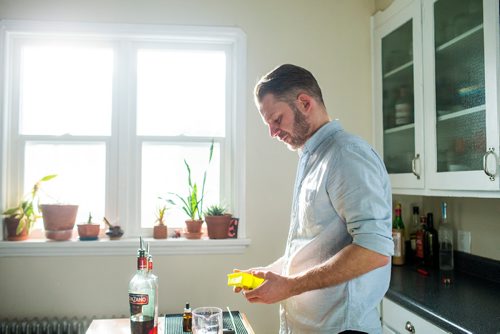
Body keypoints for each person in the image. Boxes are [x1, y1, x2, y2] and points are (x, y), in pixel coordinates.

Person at [234, 64, 394, 333]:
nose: (272, 132)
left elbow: (374, 251)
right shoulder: (314, 157)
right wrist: (275, 273)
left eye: (276, 119)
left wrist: (290, 286)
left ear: (305, 103)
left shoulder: (346, 155)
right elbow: (315, 246)